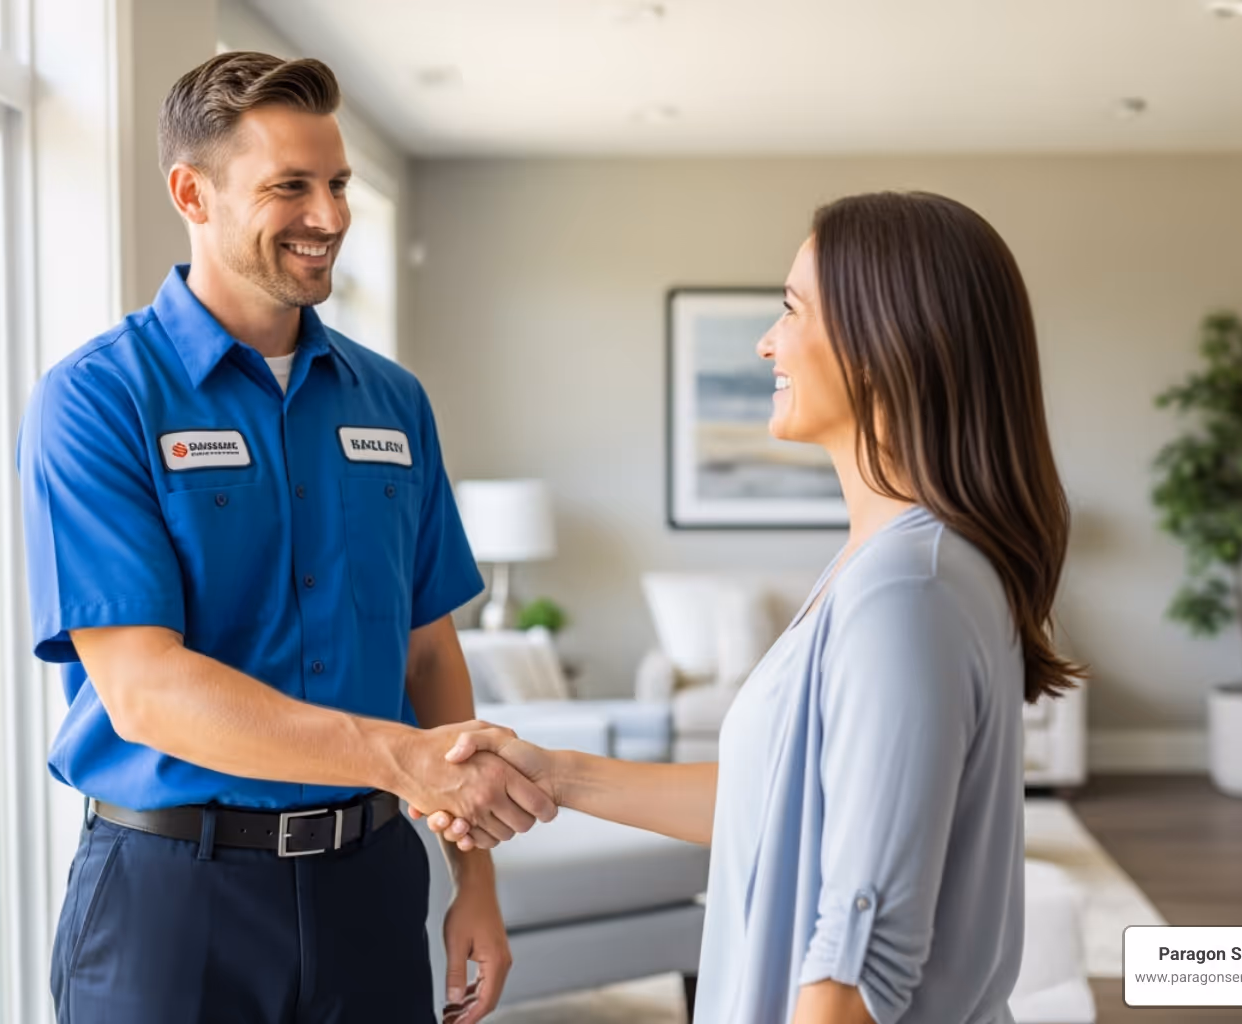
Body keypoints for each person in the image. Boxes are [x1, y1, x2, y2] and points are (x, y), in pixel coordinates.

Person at [416, 191, 1084, 1024]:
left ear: (885, 345)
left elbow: (858, 960)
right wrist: (556, 774)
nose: (768, 341)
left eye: (791, 310)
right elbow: (785, 806)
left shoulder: (908, 590)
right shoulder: (890, 566)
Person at [18, 52, 550, 1024]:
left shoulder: (393, 401)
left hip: (370, 886)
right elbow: (144, 688)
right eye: (290, 187)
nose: (331, 215)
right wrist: (397, 756)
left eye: (338, 183)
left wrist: (474, 880)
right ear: (193, 192)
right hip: (173, 900)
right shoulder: (98, 400)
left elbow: (428, 649)